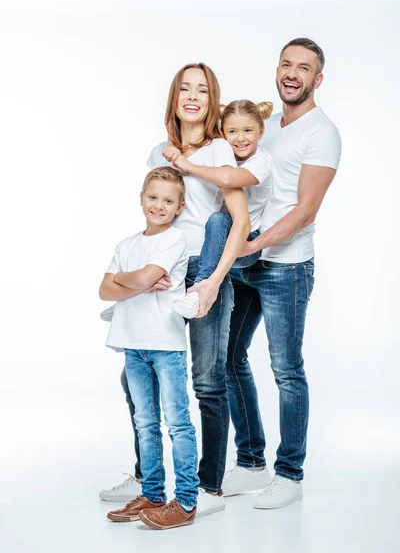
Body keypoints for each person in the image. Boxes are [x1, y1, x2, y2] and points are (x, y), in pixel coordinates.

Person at [100, 63, 250, 517]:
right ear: (174, 97)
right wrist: (139, 269)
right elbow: (159, 208)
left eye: (202, 90)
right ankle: (150, 478)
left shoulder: (220, 148)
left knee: (207, 380)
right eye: (184, 88)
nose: (192, 96)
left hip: (204, 272)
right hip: (165, 269)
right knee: (136, 375)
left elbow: (237, 221)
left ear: (212, 101)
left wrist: (211, 283)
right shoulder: (158, 152)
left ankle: (206, 489)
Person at [221, 38, 342, 509]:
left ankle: (289, 474)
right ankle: (251, 464)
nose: (293, 73)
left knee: (287, 370)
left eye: (304, 68)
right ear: (277, 70)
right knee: (229, 360)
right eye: (287, 64)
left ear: (318, 79)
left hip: (286, 267)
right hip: (245, 262)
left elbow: (306, 210)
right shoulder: (263, 127)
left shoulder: (322, 132)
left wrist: (253, 245)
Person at [99, 167, 199, 530]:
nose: (159, 205)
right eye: (153, 197)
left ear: (180, 207)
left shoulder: (175, 240)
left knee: (177, 423)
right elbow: (104, 290)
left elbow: (129, 280)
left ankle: (186, 501)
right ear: (141, 198)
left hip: (165, 344)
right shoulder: (127, 245)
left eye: (168, 201)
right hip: (133, 344)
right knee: (145, 422)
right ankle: (153, 493)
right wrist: (137, 281)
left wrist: (127, 279)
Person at [162, 99, 273, 319]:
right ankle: (136, 300)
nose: (240, 138)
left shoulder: (261, 161)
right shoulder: (221, 153)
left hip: (245, 241)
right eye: (232, 131)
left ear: (261, 131)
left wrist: (188, 165)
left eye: (248, 130)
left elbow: (228, 177)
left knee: (218, 218)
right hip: (217, 239)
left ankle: (200, 289)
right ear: (222, 133)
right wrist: (174, 149)